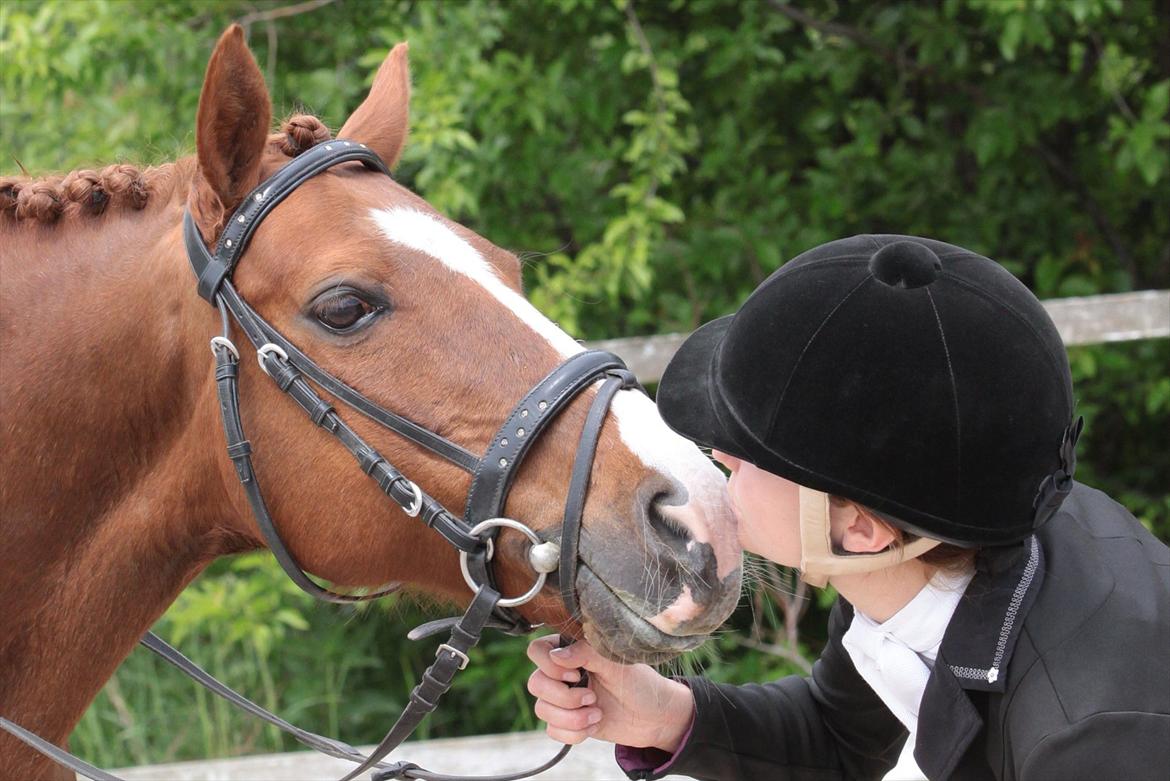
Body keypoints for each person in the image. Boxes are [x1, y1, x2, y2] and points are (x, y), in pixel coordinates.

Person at [526, 235, 1170, 780]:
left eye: (753, 455)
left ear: (860, 529)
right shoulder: (926, 557)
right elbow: (839, 735)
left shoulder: (1094, 739)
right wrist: (667, 716)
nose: (722, 460)